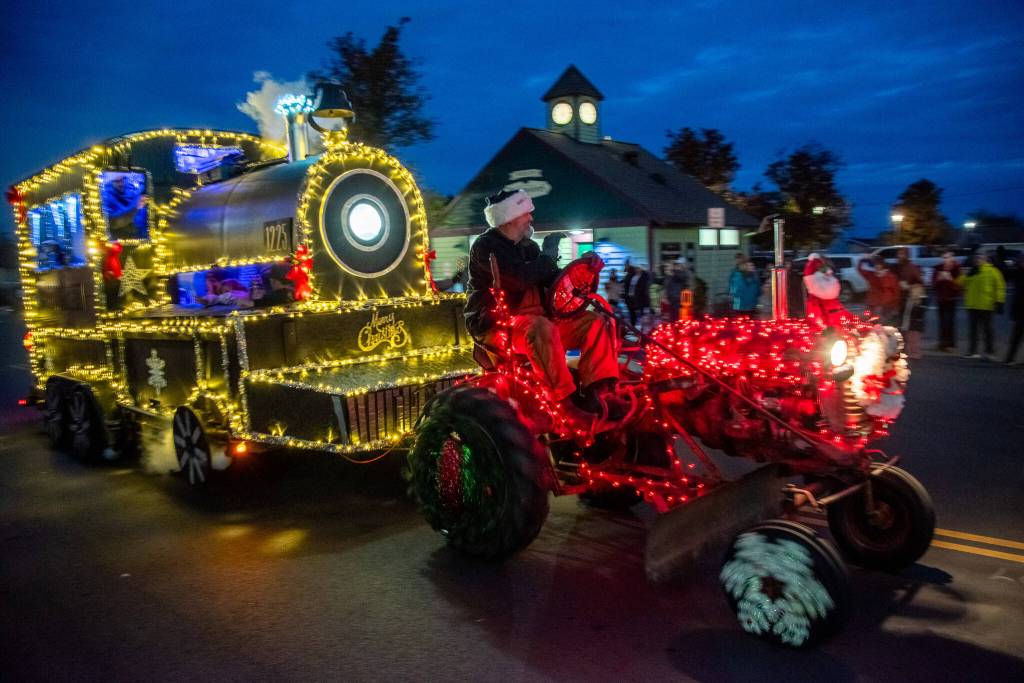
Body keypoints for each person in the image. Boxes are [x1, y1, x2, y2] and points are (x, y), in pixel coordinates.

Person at [463, 189, 619, 427]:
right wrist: (547, 257)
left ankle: (598, 393)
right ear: (510, 218)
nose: (531, 218)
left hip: (536, 320)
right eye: (526, 213)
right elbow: (518, 279)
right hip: (497, 324)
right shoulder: (486, 247)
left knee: (594, 322)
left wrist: (584, 269)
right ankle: (564, 404)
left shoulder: (528, 247)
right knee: (540, 328)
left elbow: (552, 281)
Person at [959, 252, 1006, 360]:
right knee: (973, 331)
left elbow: (1000, 287)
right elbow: (960, 283)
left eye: (979, 258)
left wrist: (1000, 301)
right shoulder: (972, 272)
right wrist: (964, 275)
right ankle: (973, 351)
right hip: (972, 305)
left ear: (985, 259)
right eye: (975, 258)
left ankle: (990, 352)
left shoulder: (993, 271)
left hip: (986, 306)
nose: (977, 260)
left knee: (987, 331)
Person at [802, 253, 845, 325]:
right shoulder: (823, 266)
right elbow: (829, 274)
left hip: (817, 294)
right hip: (827, 294)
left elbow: (809, 276)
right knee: (828, 310)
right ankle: (830, 323)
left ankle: (821, 324)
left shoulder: (811, 266)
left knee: (817, 310)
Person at [932, 251, 962, 352]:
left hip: (951, 299)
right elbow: (933, 284)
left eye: (948, 257)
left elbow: (959, 286)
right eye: (944, 257)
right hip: (941, 298)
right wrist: (939, 279)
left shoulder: (957, 269)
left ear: (953, 258)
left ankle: (950, 344)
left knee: (950, 322)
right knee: (942, 322)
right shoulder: (938, 268)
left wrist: (949, 279)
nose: (946, 260)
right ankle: (942, 343)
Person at [857, 256, 901, 325]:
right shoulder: (871, 274)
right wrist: (862, 260)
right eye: (875, 264)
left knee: (880, 323)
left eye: (878, 264)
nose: (877, 266)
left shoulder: (889, 276)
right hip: (871, 302)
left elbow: (895, 291)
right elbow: (860, 269)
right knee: (870, 321)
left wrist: (895, 305)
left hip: (883, 305)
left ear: (883, 265)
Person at [1005, 253, 1024, 365]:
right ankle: (1010, 358)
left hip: (1020, 308)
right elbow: (1006, 276)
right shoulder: (1018, 272)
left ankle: (1010, 358)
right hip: (1020, 310)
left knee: (1016, 336)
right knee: (1016, 336)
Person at [623, 263, 651, 328]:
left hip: (640, 299)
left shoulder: (644, 277)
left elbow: (644, 290)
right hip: (631, 298)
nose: (637, 269)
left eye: (638, 268)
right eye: (636, 268)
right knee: (633, 315)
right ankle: (633, 328)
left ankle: (642, 329)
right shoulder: (633, 276)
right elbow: (628, 286)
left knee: (642, 315)